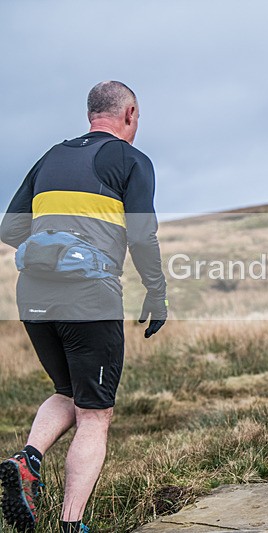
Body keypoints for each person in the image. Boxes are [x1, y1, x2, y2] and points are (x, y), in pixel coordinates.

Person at [0, 81, 168, 533]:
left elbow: (10, 228)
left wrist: (55, 237)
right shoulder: (133, 161)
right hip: (88, 295)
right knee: (95, 414)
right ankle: (72, 525)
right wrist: (156, 290)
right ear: (130, 113)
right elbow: (140, 234)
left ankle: (28, 460)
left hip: (32, 293)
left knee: (71, 394)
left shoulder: (51, 156)